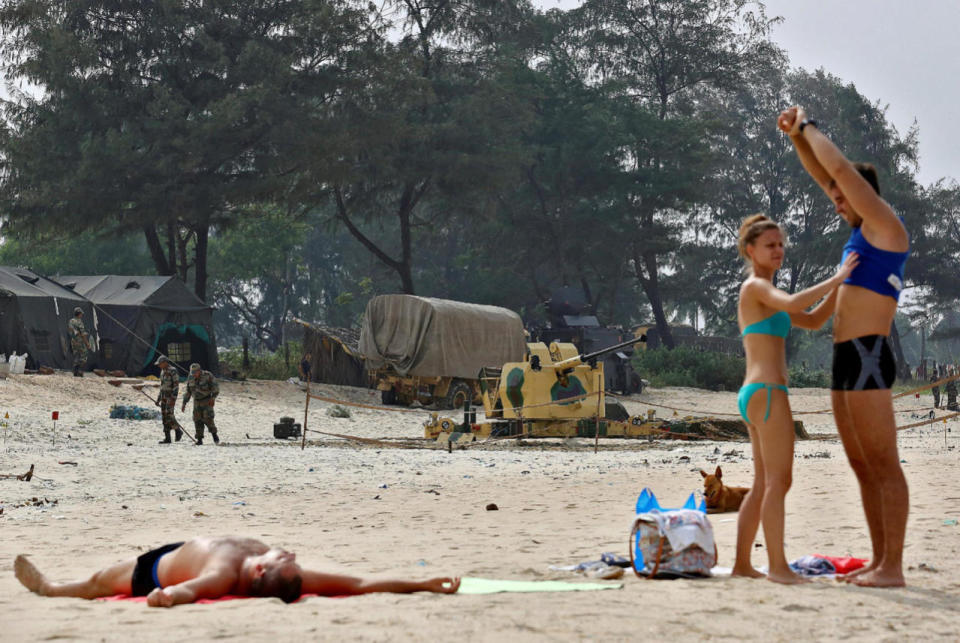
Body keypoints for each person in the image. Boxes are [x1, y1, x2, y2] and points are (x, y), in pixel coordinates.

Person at [781, 106, 910, 587]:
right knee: (859, 464)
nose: (834, 201)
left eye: (842, 195)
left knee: (883, 463)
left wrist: (806, 124)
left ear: (864, 196)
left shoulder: (886, 229)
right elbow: (815, 318)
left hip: (869, 356)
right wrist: (795, 139)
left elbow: (835, 170)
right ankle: (879, 562)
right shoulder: (856, 245)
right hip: (843, 359)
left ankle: (892, 567)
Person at [732, 214, 858, 584]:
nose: (778, 250)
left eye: (781, 244)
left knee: (762, 483)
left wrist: (842, 282)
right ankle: (777, 567)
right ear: (750, 250)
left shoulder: (766, 294)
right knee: (779, 482)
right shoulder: (756, 287)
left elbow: (815, 318)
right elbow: (795, 300)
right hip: (768, 393)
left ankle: (742, 564)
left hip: (756, 394)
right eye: (770, 245)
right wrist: (835, 277)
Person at [14, 536, 460, 607]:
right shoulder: (281, 572)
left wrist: (166, 596)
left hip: (153, 570)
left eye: (287, 559)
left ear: (263, 569)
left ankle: (51, 590)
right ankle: (53, 587)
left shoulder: (227, 575)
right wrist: (422, 582)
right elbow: (362, 584)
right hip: (183, 549)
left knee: (95, 583)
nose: (291, 554)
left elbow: (182, 593)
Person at [182, 363, 220, 445]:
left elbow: (215, 387)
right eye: (192, 372)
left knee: (208, 418)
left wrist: (213, 398)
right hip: (196, 401)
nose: (194, 374)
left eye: (195, 372)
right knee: (197, 420)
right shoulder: (191, 377)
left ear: (199, 371)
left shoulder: (208, 375)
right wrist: (184, 403)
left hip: (207, 400)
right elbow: (188, 391)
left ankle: (214, 435)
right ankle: (199, 439)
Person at [155, 356, 183, 444]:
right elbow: (162, 386)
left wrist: (173, 397)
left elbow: (176, 385)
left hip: (170, 396)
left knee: (169, 414)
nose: (159, 365)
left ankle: (178, 430)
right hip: (163, 396)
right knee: (164, 416)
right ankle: (167, 438)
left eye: (160, 364)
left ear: (165, 362)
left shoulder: (173, 370)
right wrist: (158, 399)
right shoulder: (162, 371)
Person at [67, 307, 91, 377]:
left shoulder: (71, 321)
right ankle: (79, 371)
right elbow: (83, 334)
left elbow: (70, 330)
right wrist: (87, 343)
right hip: (80, 342)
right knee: (84, 356)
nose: (82, 315)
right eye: (81, 314)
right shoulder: (79, 322)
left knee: (76, 356)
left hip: (73, 341)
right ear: (79, 314)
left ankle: (75, 371)